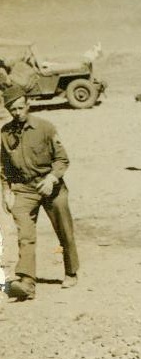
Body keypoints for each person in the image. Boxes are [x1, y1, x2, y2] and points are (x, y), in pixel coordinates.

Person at [1, 83, 79, 300]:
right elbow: (3, 167)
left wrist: (52, 178)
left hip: (51, 186)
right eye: (12, 110)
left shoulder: (46, 128)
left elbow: (62, 159)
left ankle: (71, 271)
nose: (17, 113)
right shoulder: (5, 133)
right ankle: (26, 282)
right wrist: (6, 191)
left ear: (28, 104)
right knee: (25, 235)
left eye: (20, 108)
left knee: (64, 230)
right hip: (24, 189)